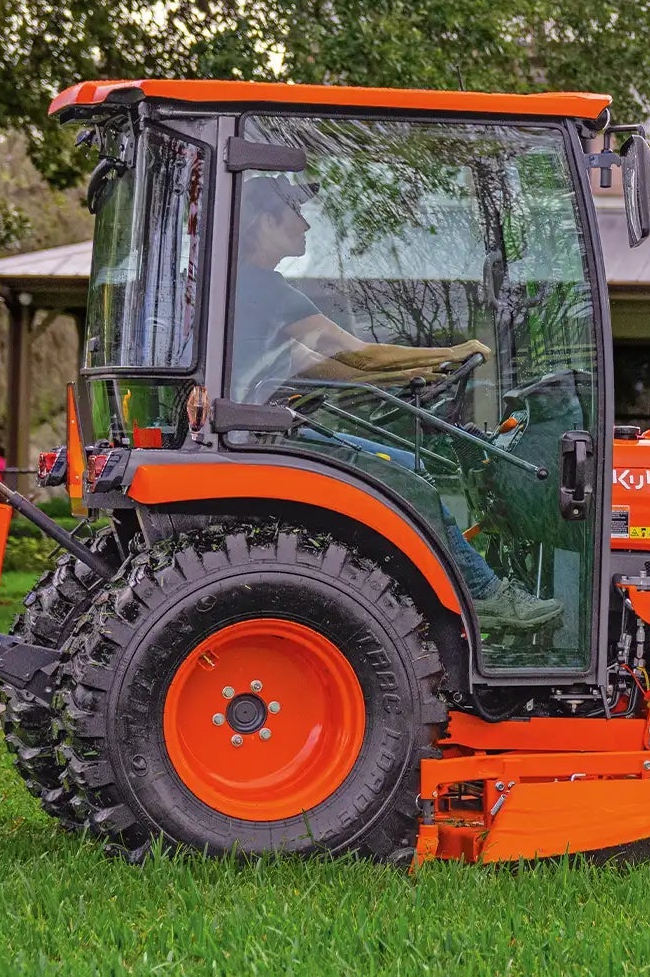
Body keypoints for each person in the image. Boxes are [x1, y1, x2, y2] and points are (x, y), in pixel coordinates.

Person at [231, 174, 561, 639]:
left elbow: (331, 368)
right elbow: (358, 354)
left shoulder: (248, 290)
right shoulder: (265, 289)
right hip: (266, 437)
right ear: (266, 221)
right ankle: (484, 596)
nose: (305, 224)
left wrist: (414, 373)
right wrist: (453, 350)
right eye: (295, 212)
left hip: (261, 432)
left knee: (408, 465)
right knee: (412, 478)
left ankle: (459, 591)